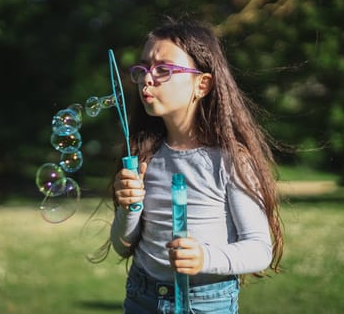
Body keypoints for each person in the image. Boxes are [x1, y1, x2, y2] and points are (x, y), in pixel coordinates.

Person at [108, 17, 284, 313]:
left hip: (205, 302)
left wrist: (204, 257)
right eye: (143, 69)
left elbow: (259, 249)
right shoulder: (144, 156)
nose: (147, 79)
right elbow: (123, 245)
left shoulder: (230, 160)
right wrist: (130, 208)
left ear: (202, 84)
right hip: (142, 295)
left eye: (163, 69)